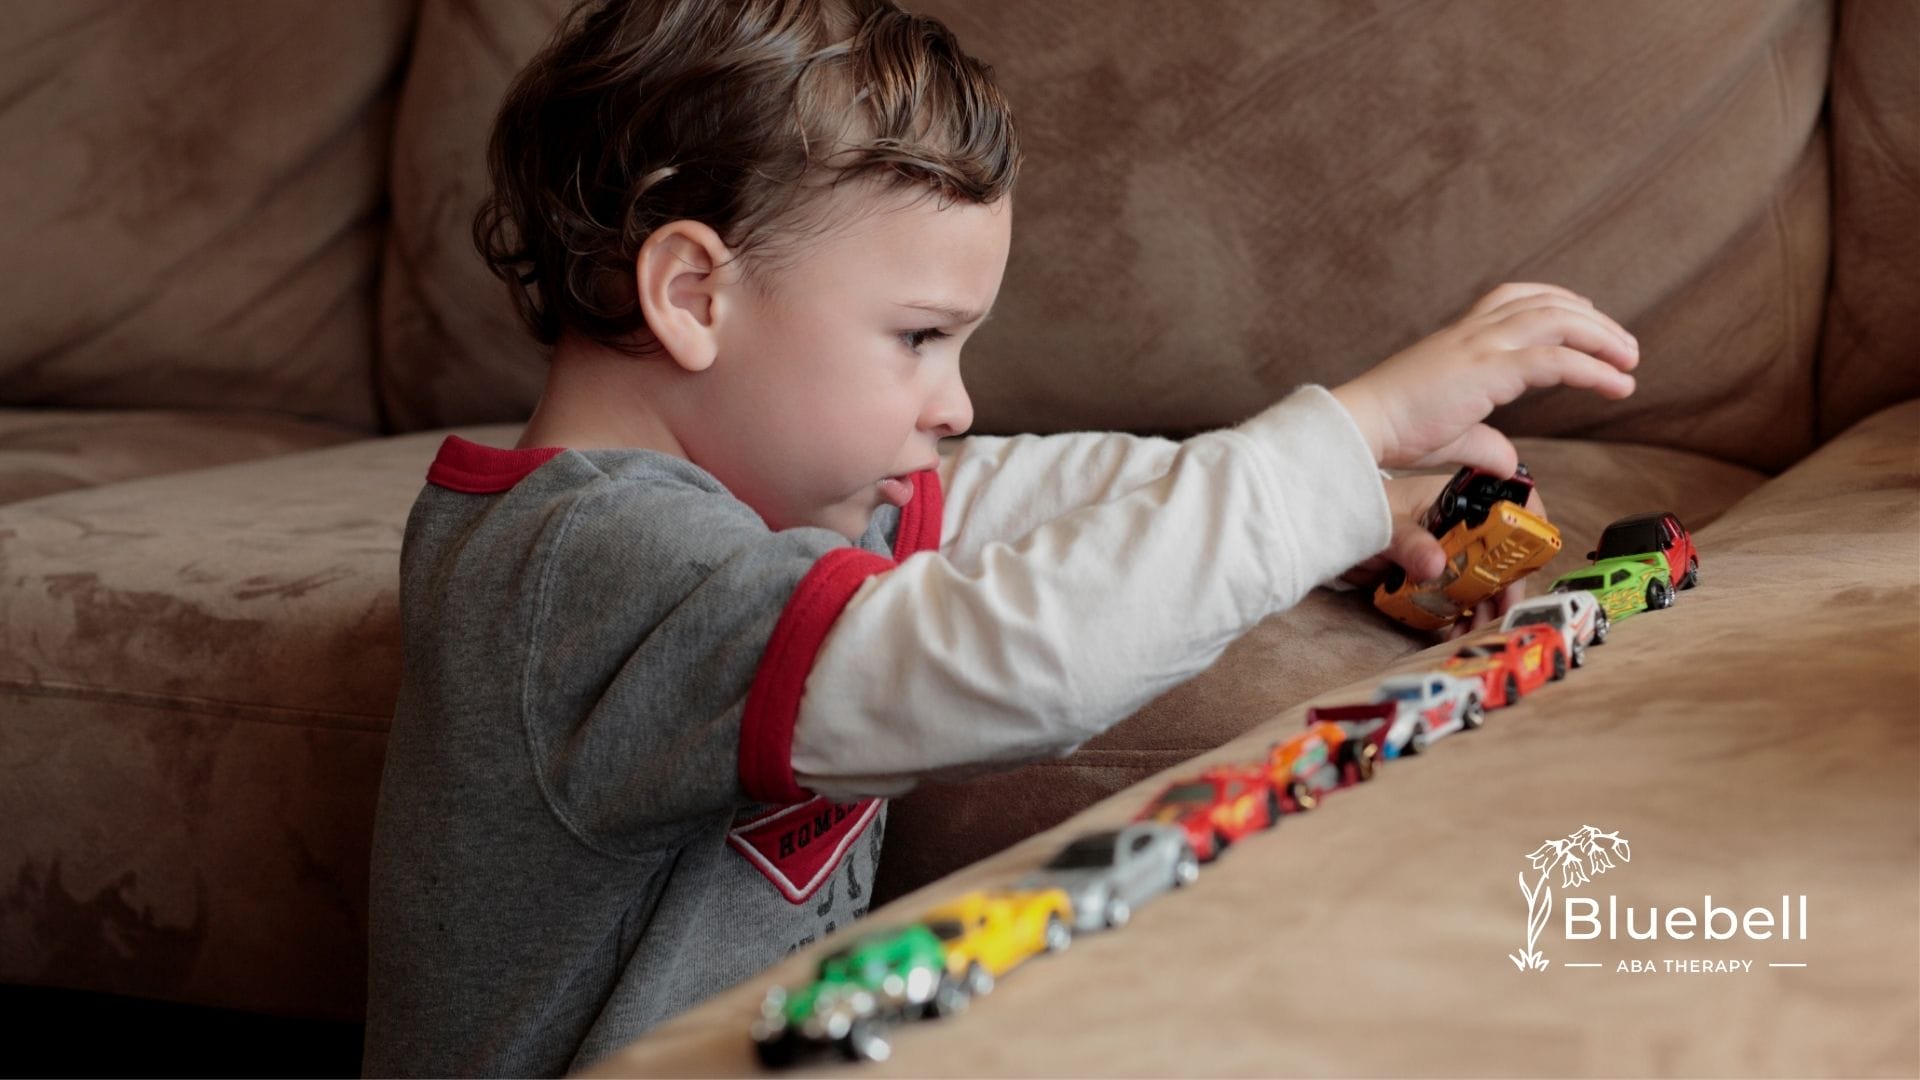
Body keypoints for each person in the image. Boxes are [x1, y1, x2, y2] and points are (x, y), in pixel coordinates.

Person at [362, 0, 1640, 1074]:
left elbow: (1000, 494)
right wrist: (1344, 428)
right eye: (919, 337)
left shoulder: (765, 501)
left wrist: (1351, 500)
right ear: (694, 294)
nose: (956, 400)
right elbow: (1006, 662)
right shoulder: (583, 567)